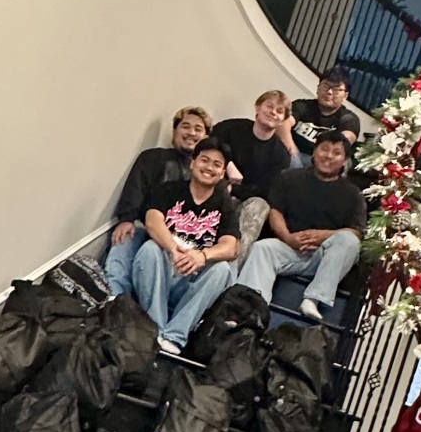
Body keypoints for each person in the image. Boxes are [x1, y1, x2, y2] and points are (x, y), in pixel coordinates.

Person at [237, 130, 367, 322]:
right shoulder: (289, 177)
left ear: (345, 160)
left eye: (336, 153)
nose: (329, 156)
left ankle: (313, 298)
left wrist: (323, 236)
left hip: (324, 257)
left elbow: (355, 231)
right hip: (291, 247)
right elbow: (275, 212)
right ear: (314, 151)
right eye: (324, 149)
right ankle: (251, 309)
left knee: (349, 241)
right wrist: (288, 238)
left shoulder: (353, 194)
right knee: (262, 248)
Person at [132, 138, 240, 354]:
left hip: (190, 282)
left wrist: (202, 255)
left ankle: (175, 336)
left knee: (222, 269)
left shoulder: (224, 205)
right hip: (159, 273)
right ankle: (156, 329)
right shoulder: (167, 190)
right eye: (204, 160)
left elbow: (231, 247)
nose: (209, 167)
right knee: (150, 248)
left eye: (217, 165)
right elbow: (153, 221)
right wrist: (173, 249)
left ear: (222, 174)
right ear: (193, 163)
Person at [104, 106, 213, 296]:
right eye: (185, 127)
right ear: (175, 132)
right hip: (144, 227)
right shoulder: (153, 157)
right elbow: (134, 189)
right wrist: (126, 219)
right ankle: (115, 301)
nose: (191, 133)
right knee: (123, 240)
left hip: (181, 240)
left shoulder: (206, 174)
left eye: (198, 129)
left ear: (205, 138)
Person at [213, 90, 292, 268]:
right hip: (213, 188)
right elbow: (207, 145)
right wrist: (228, 165)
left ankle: (229, 270)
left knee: (260, 206)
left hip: (244, 202)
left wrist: (233, 189)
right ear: (258, 108)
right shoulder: (231, 128)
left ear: (282, 119)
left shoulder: (280, 155)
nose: (273, 112)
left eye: (279, 111)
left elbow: (265, 191)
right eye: (269, 106)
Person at [277, 68, 361, 169]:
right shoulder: (301, 106)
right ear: (317, 88)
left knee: (342, 163)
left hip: (324, 161)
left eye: (336, 89)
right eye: (325, 86)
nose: (329, 92)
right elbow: (283, 123)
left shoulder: (349, 119)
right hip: (294, 155)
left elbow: (342, 143)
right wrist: (291, 148)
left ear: (345, 96)